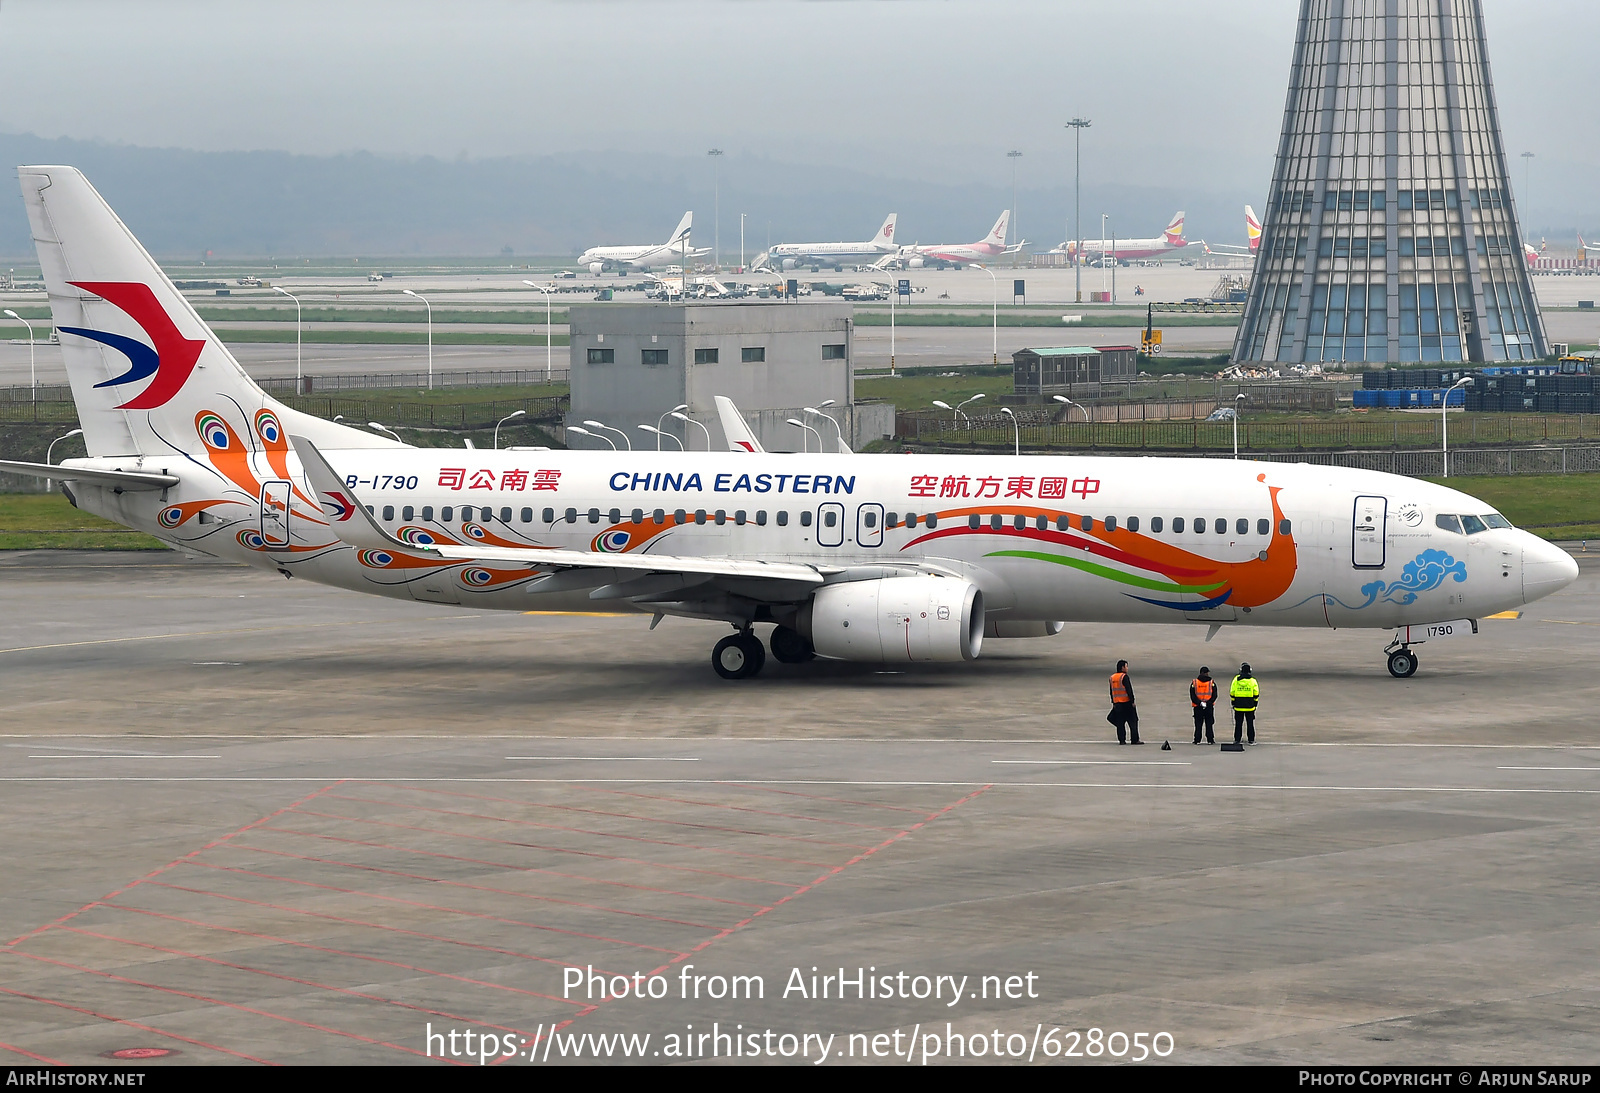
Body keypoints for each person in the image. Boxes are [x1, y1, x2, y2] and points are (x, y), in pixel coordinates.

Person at [1107, 660, 1142, 745]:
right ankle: (1134, 739)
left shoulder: (1112, 678)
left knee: (1120, 723)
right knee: (1133, 721)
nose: (1127, 668)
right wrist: (1132, 701)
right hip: (1127, 703)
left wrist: (1113, 702)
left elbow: (1111, 692)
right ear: (1122, 667)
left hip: (1118, 704)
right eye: (1126, 666)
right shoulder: (1124, 677)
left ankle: (1122, 740)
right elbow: (1129, 690)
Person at [1230, 662, 1260, 746]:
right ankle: (1251, 740)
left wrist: (1233, 702)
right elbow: (1256, 693)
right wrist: (1255, 703)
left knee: (1238, 724)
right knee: (1250, 724)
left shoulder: (1236, 680)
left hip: (1238, 706)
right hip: (1249, 706)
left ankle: (1237, 740)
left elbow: (1232, 692)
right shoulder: (1253, 681)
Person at [1190, 666, 1217, 745]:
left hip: (1198, 707)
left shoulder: (1194, 683)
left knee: (1198, 724)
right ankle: (1210, 740)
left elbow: (1192, 695)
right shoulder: (1211, 683)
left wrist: (1199, 703)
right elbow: (1214, 694)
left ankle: (1197, 740)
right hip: (1209, 706)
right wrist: (1208, 703)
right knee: (1209, 724)